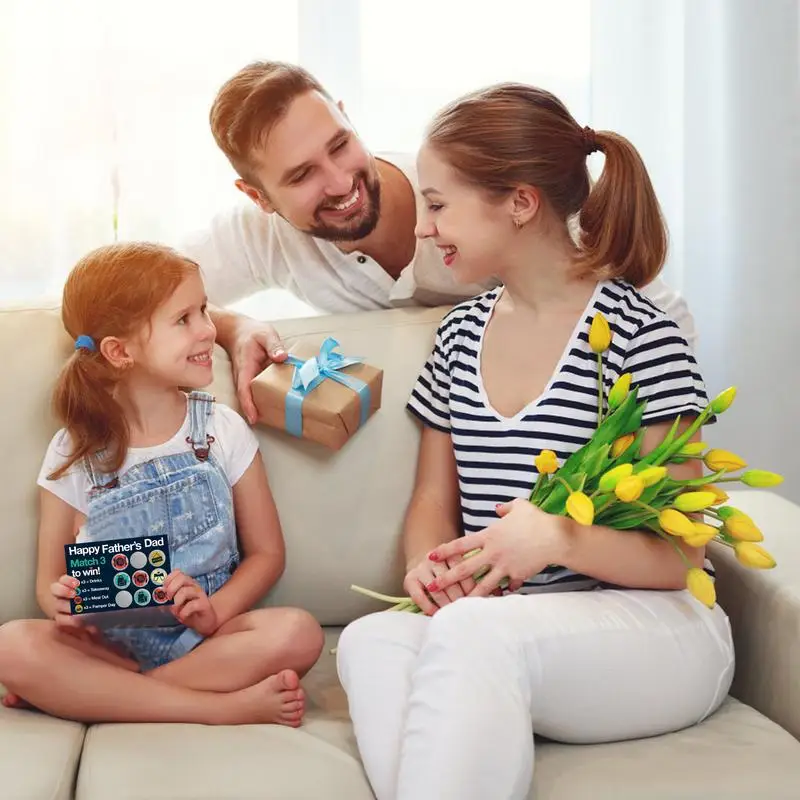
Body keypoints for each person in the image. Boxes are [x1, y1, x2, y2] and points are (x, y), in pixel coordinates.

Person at [334, 84, 734, 800]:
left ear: (519, 203)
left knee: (476, 637)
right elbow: (434, 498)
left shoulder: (643, 336)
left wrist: (555, 539)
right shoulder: (459, 338)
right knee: (372, 639)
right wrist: (429, 567)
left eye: (437, 203)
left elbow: (684, 552)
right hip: (520, 633)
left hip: (655, 630)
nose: (423, 229)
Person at [179, 61, 696, 425]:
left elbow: (659, 318)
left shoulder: (493, 207)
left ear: (347, 117)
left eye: (340, 145)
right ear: (257, 195)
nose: (339, 182)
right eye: (301, 176)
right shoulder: (259, 236)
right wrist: (232, 324)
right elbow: (123, 294)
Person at [0, 243, 324, 725]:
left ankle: (97, 697)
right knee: (11, 644)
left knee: (299, 633)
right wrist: (61, 602)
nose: (208, 330)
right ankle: (219, 709)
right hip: (110, 648)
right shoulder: (73, 449)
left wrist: (213, 611)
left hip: (208, 641)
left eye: (204, 311)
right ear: (119, 351)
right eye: (184, 319)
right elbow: (49, 584)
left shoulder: (221, 428)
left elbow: (267, 555)